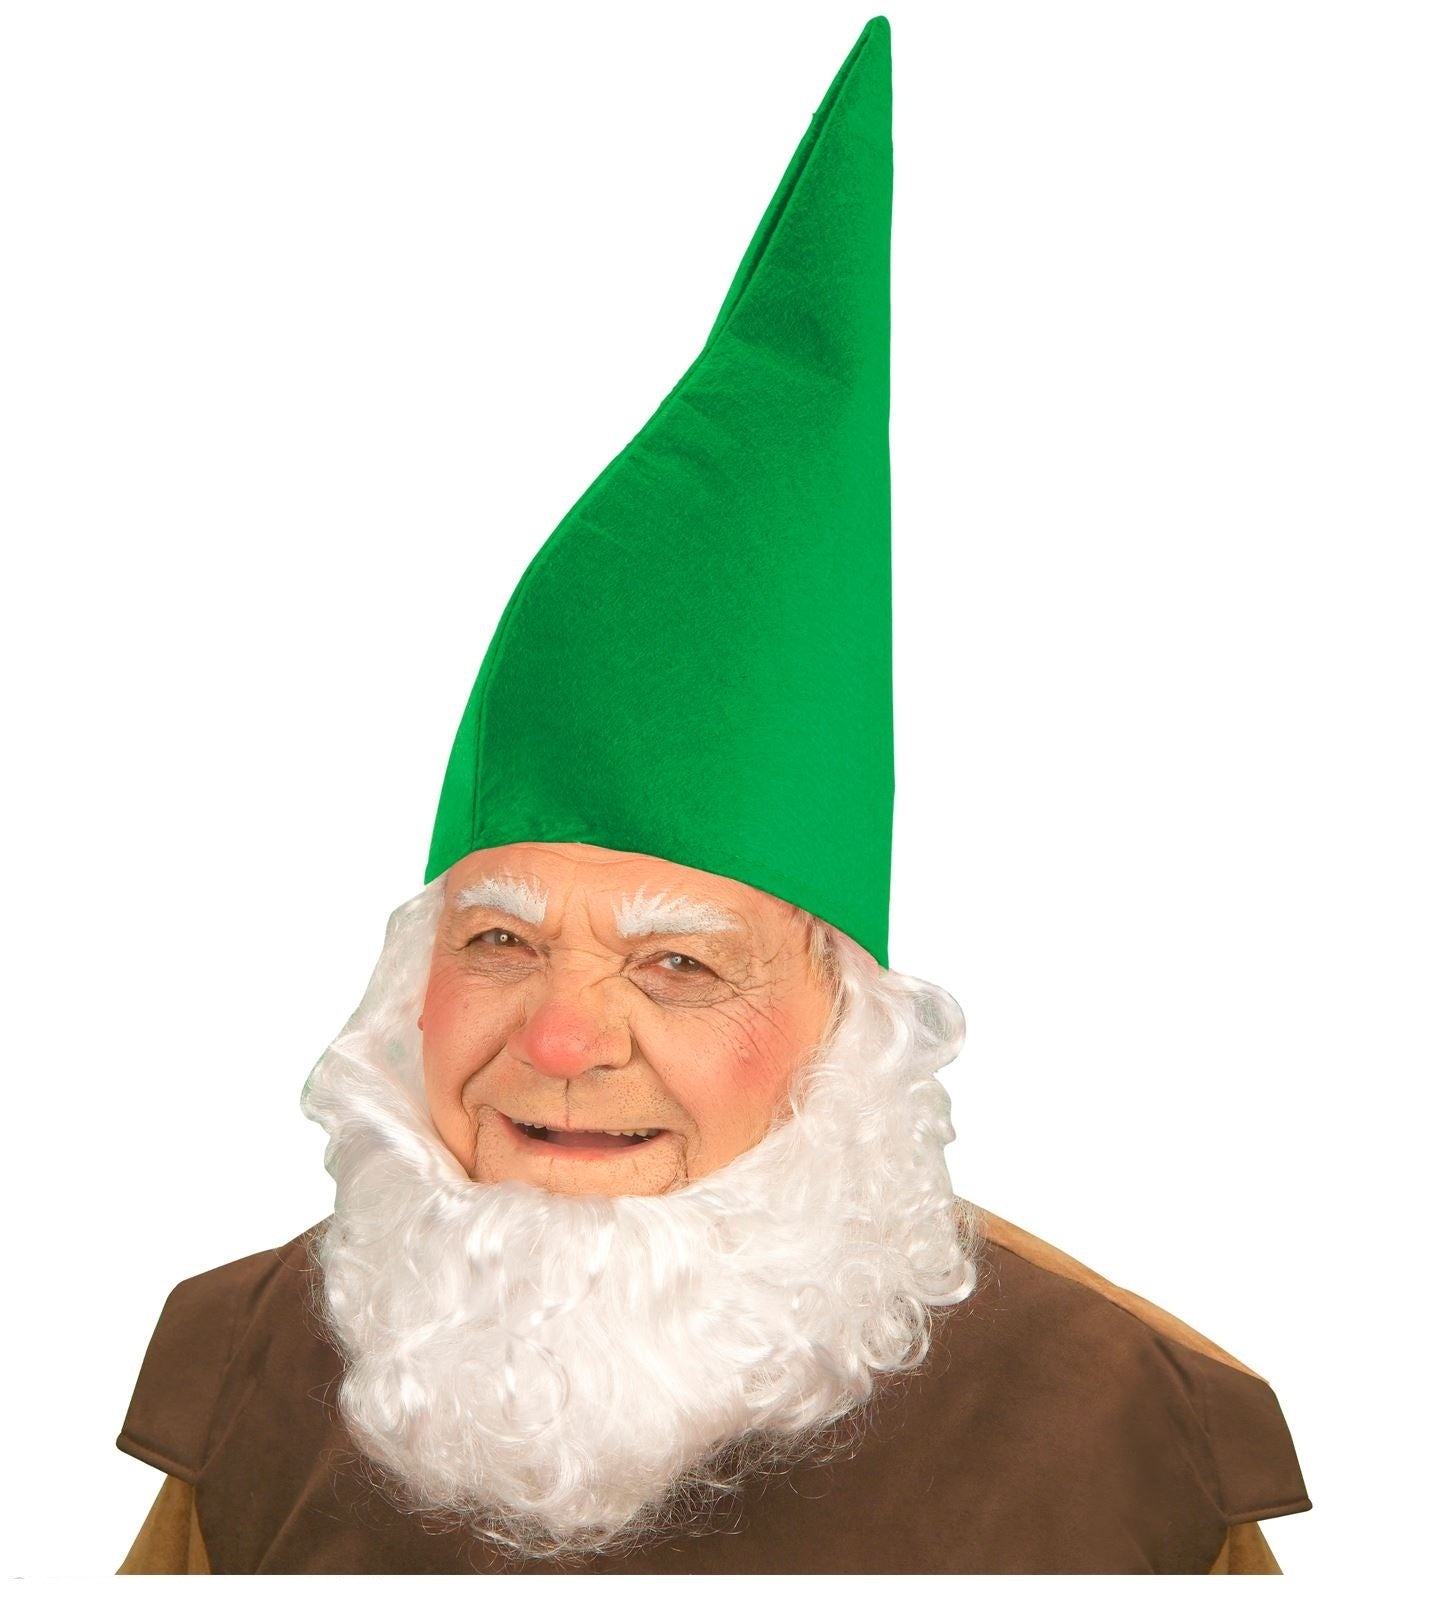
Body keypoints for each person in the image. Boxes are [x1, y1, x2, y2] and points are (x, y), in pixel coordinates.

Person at [116, 17, 1311, 1574]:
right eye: (497, 943)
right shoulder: (255, 1362)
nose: (560, 1043)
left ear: (846, 1025)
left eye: (677, 963)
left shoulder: (1114, 1428)